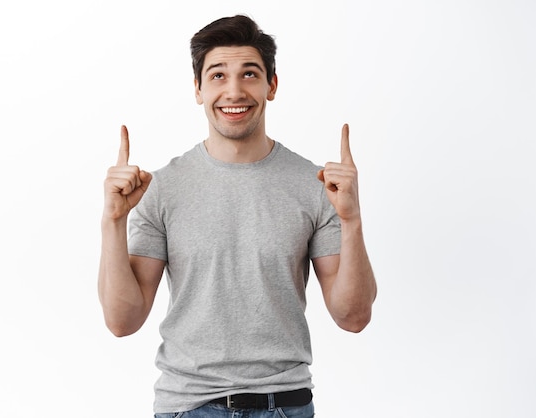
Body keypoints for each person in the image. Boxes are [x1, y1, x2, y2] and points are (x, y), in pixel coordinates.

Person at [99, 14, 377, 417]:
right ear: (197, 89)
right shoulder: (159, 188)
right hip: (187, 406)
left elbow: (353, 317)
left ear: (272, 85)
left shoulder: (317, 186)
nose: (234, 90)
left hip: (285, 405)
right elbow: (122, 322)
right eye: (217, 76)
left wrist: (352, 221)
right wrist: (113, 222)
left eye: (249, 73)